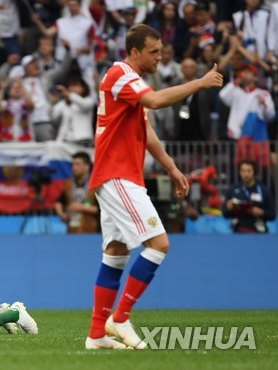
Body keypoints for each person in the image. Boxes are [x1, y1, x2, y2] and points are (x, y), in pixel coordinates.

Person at [86, 24, 222, 350]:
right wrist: (199, 83)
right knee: (159, 244)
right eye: (153, 51)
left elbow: (146, 131)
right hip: (117, 175)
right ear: (134, 51)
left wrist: (172, 168)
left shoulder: (132, 83)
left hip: (120, 175)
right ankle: (120, 318)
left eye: (161, 50)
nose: (160, 57)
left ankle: (96, 335)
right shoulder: (120, 73)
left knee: (117, 252)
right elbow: (157, 101)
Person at [219, 64, 275, 140]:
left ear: (255, 77)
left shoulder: (263, 93)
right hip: (236, 135)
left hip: (255, 137)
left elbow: (271, 116)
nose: (244, 75)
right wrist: (235, 83)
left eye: (248, 72)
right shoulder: (236, 92)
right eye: (243, 72)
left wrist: (264, 104)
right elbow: (222, 95)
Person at [223, 160, 275, 233]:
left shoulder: (264, 190)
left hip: (259, 232)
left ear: (254, 172)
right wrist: (228, 208)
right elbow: (225, 214)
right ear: (239, 172)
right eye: (243, 171)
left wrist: (262, 213)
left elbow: (272, 215)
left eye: (249, 171)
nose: (246, 174)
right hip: (238, 231)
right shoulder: (233, 190)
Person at [55, 152, 98, 234]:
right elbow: (59, 202)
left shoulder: (96, 185)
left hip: (91, 231)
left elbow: (101, 210)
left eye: (77, 164)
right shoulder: (69, 184)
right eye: (73, 164)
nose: (74, 168)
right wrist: (61, 214)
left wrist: (81, 207)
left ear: (87, 167)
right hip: (72, 231)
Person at [52, 77, 95, 147]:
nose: (72, 88)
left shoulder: (89, 100)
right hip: (67, 139)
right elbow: (54, 116)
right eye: (70, 86)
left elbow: (83, 105)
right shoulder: (66, 103)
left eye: (75, 85)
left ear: (83, 88)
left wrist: (68, 94)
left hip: (83, 138)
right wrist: (59, 99)